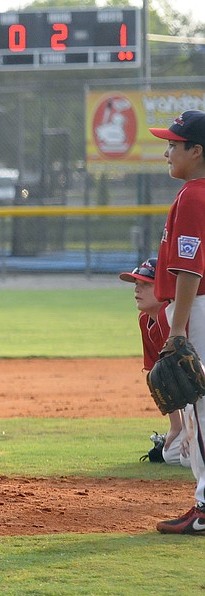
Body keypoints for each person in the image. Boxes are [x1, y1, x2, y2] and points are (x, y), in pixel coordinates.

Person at [148, 109, 205, 534]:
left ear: (197, 150)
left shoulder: (193, 196)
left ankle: (204, 508)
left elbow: (189, 269)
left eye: (173, 143)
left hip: (196, 308)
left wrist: (179, 328)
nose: (167, 151)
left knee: (200, 411)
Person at [118, 257, 189, 467]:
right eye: (136, 284)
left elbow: (190, 377)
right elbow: (156, 376)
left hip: (199, 398)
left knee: (187, 459)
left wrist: (191, 427)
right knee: (171, 455)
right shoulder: (145, 320)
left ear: (164, 288)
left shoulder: (173, 318)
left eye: (145, 284)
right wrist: (176, 426)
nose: (137, 290)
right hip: (188, 402)